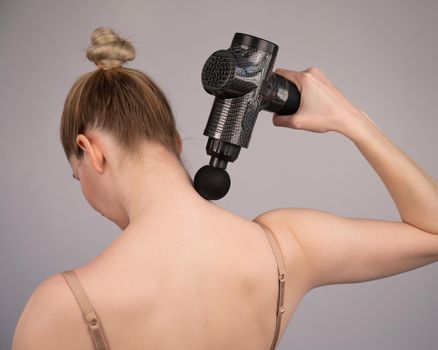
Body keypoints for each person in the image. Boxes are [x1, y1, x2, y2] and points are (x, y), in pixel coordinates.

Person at [12, 27, 438, 350]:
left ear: (92, 153)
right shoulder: (285, 249)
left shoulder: (63, 305)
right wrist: (351, 120)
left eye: (76, 174)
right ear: (177, 143)